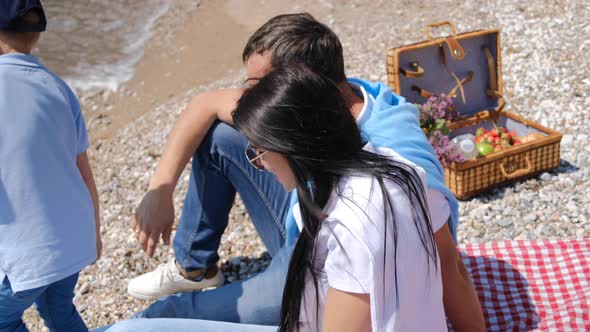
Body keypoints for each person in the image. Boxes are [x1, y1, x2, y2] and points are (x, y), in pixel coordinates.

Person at [127, 13, 484, 331]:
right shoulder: (328, 104)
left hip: (329, 247)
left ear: (299, 87)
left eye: (258, 87)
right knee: (221, 135)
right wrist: (159, 190)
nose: (250, 97)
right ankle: (194, 268)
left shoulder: (387, 178)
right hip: (310, 209)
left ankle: (153, 318)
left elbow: (443, 260)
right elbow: (204, 104)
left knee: (163, 318)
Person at [0, 1, 101, 331]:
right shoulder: (59, 88)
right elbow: (83, 172)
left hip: (26, 254)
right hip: (72, 239)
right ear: (37, 36)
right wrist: (94, 233)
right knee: (58, 309)